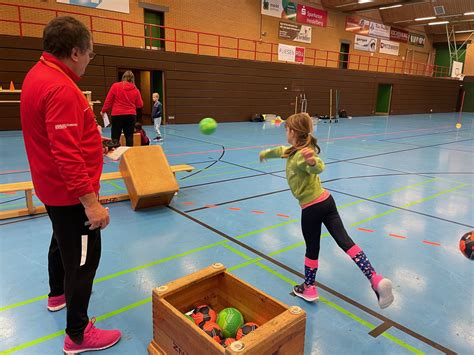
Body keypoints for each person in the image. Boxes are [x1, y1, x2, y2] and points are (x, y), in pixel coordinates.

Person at [20, 16, 121, 353]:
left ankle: (56, 295)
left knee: (59, 242)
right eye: (90, 54)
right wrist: (91, 203)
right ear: (76, 51)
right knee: (83, 261)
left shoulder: (38, 73)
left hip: (52, 190)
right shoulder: (61, 87)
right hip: (69, 196)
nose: (90, 61)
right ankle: (77, 334)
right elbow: (66, 154)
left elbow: (60, 139)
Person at [259, 113, 394, 309]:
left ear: (293, 132)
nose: (285, 132)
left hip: (312, 208)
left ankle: (310, 288)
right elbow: (281, 150)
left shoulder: (303, 155)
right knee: (346, 242)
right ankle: (375, 279)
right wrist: (266, 154)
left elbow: (318, 167)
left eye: (287, 129)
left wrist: (312, 162)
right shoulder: (294, 151)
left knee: (312, 249)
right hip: (327, 201)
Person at [101, 70, 143, 147]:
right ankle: (128, 155)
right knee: (129, 136)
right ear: (133, 79)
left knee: (115, 136)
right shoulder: (136, 90)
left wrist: (103, 110)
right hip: (131, 115)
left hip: (117, 115)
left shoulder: (115, 86)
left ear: (123, 77)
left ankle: (115, 154)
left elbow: (108, 100)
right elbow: (140, 104)